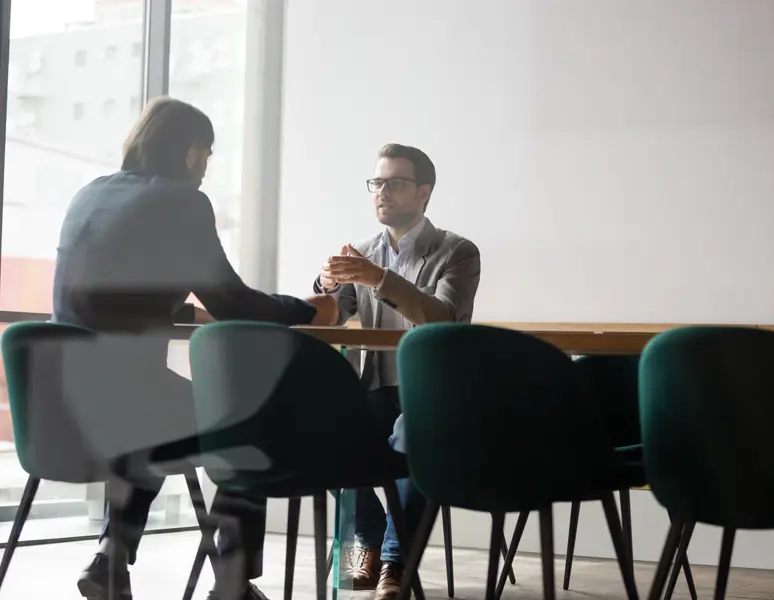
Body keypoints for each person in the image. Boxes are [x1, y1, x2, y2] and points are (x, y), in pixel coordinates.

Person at [52, 96, 338, 600]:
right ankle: (231, 582)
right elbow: (233, 301)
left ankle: (109, 560)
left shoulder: (89, 194)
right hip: (126, 394)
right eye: (208, 153)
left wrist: (183, 312)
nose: (207, 166)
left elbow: (108, 294)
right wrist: (309, 310)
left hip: (57, 400)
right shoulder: (182, 201)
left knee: (161, 417)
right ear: (189, 153)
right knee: (251, 419)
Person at [314, 143, 481, 600]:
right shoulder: (364, 252)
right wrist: (325, 284)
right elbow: (329, 312)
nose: (382, 192)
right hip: (374, 389)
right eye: (377, 182)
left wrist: (378, 279)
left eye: (395, 182)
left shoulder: (457, 252)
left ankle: (394, 559)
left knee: (415, 431)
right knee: (322, 428)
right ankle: (364, 543)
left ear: (424, 192)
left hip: (432, 395)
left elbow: (443, 316)